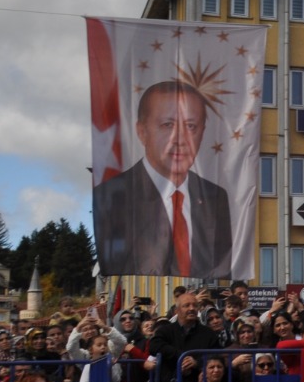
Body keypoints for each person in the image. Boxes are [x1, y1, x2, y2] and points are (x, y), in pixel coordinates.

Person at [91, 80, 233, 278]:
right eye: (168, 125)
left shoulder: (215, 197)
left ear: (202, 132)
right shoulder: (114, 195)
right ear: (142, 132)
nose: (180, 139)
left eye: (191, 126)